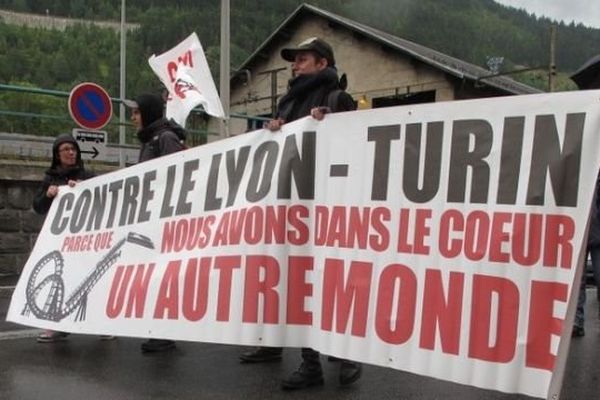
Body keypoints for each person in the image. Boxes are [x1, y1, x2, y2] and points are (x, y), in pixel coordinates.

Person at [238, 37, 361, 390]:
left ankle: (346, 354)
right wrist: (274, 130)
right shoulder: (289, 102)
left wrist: (332, 121)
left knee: (332, 281)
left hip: (329, 208)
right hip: (295, 209)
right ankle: (311, 364)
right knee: (299, 284)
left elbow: (355, 146)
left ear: (323, 63)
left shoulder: (337, 98)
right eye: (294, 61)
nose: (295, 65)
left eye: (302, 59)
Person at [32, 134, 113, 343]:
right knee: (59, 281)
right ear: (57, 155)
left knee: (91, 279)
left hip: (84, 239)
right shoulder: (50, 178)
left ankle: (101, 324)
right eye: (66, 149)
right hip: (60, 242)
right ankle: (58, 326)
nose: (71, 153)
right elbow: (38, 207)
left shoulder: (87, 175)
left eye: (73, 149)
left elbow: (102, 201)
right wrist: (48, 195)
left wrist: (85, 188)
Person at [125, 92, 186, 352]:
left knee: (162, 277)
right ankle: (158, 330)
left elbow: (176, 177)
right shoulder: (151, 140)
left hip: (164, 221)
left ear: (149, 113)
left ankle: (165, 333)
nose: (132, 117)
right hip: (152, 219)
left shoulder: (166, 139)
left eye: (137, 112)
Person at [570, 57, 600, 337]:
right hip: (580, 219)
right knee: (577, 278)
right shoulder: (584, 123)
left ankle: (577, 320)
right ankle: (576, 321)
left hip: (593, 222)